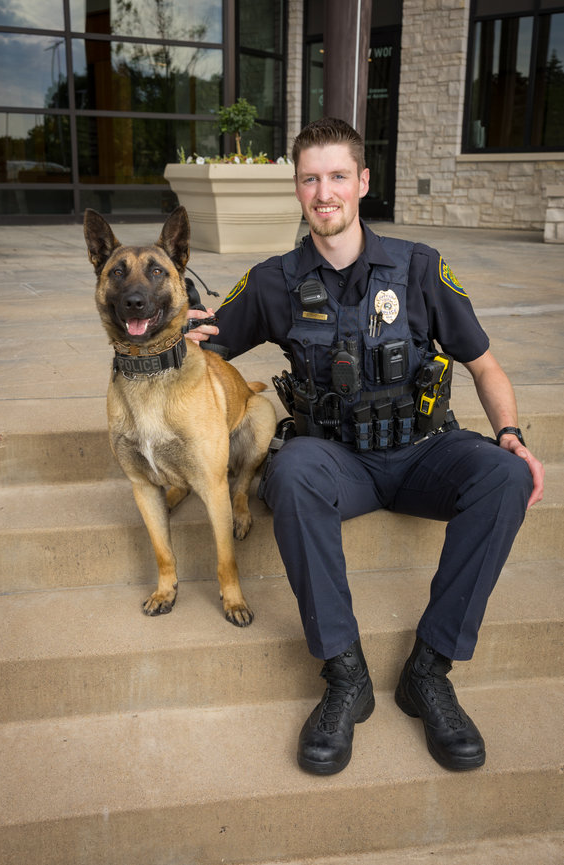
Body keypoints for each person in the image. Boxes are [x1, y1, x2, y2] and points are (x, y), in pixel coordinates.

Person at [186, 117, 544, 776]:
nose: (323, 193)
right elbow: (200, 347)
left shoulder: (420, 267)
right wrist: (162, 324)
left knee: (505, 476)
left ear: (362, 182)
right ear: (297, 189)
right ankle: (344, 675)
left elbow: (485, 365)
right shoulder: (272, 281)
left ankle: (429, 671)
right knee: (290, 471)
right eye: (310, 179)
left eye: (337, 176)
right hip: (335, 461)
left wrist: (510, 435)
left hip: (423, 452)